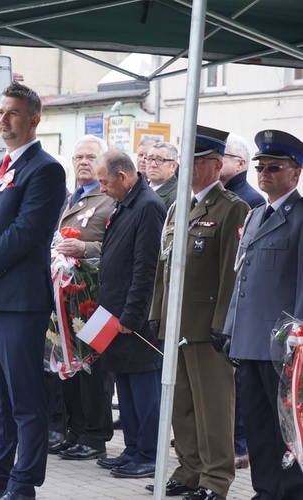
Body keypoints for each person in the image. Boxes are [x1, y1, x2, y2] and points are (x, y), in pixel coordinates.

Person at [0, 82, 66, 500]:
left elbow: (26, 233)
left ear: (34, 119)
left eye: (14, 113)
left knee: (24, 399)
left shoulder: (45, 169)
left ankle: (23, 483)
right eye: (1, 112)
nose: (4, 119)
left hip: (18, 302)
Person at [147, 126, 249, 500]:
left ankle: (215, 479)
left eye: (195, 160)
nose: (186, 167)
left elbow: (230, 273)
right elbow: (164, 267)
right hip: (176, 325)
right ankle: (189, 470)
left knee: (214, 409)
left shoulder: (233, 207)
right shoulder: (178, 207)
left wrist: (223, 323)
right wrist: (158, 312)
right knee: (182, 406)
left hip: (207, 327)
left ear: (215, 164)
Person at [222, 129, 303, 499]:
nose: (264, 172)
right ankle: (265, 488)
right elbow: (244, 277)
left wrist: (297, 337)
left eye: (274, 166)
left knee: (283, 425)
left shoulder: (300, 217)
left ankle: (289, 490)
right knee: (256, 423)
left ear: (295, 173)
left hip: (282, 344)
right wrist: (229, 329)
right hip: (249, 339)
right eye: (260, 166)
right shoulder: (255, 215)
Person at [95, 149, 165, 479]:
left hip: (133, 319)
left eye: (104, 182)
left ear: (123, 177)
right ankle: (133, 447)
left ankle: (149, 453)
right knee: (124, 383)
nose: (102, 188)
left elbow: (145, 267)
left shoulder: (148, 206)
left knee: (142, 389)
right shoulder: (125, 203)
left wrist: (132, 315)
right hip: (114, 313)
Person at [50, 135, 115, 462]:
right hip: (67, 298)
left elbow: (115, 247)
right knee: (70, 366)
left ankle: (95, 435)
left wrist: (85, 250)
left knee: (94, 370)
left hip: (94, 298)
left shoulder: (108, 199)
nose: (84, 162)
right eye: (78, 157)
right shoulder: (70, 198)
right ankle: (76, 429)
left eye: (90, 157)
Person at [219, 132, 262, 472]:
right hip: (230, 307)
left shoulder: (249, 201)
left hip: (246, 308)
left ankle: (241, 444)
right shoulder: (225, 197)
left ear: (241, 163)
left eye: (224, 156)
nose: (218, 162)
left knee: (240, 384)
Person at [221, 133, 265, 209]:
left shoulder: (253, 200)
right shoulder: (213, 195)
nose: (216, 160)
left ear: (240, 164)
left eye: (222, 155)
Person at [146, 141, 179, 209]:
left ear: (173, 166)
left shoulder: (177, 197)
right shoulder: (138, 189)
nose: (153, 165)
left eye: (160, 160)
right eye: (149, 159)